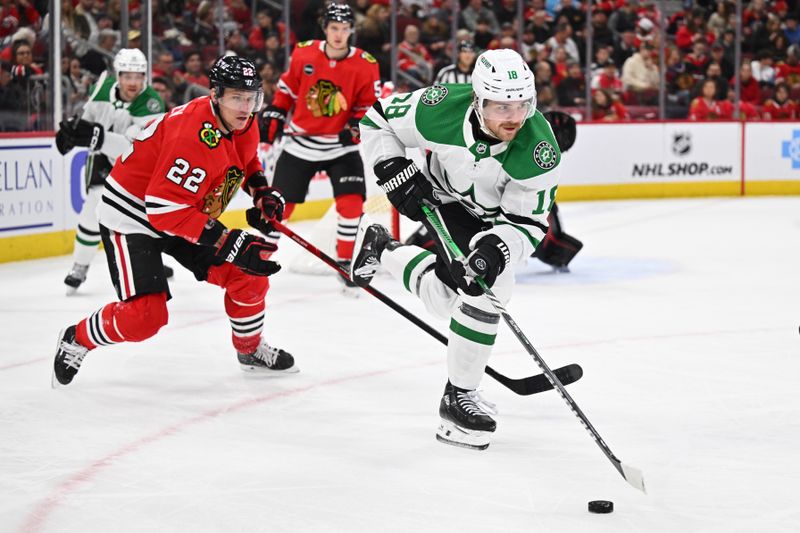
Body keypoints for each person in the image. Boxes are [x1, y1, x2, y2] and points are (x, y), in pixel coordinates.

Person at [350, 49, 561, 450]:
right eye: (501, 106)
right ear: (478, 100)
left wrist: (497, 249)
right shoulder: (440, 107)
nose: (514, 117)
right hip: (439, 197)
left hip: (494, 221)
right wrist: (392, 169)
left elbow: (529, 223)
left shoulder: (539, 150)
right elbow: (377, 120)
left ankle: (385, 249)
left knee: (456, 301)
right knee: (489, 294)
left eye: (522, 104)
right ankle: (457, 399)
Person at [51, 55, 298, 387]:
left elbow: (247, 156)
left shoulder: (244, 119)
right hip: (133, 216)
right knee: (145, 317)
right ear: (216, 95)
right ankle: (77, 338)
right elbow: (162, 210)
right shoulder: (192, 135)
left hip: (183, 210)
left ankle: (249, 350)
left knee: (248, 274)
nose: (245, 106)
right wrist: (229, 241)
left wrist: (260, 192)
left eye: (251, 96)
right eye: (235, 96)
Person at [260, 3, 380, 286]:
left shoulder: (365, 63)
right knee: (280, 208)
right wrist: (277, 110)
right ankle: (259, 257)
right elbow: (287, 90)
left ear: (352, 30)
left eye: (344, 29)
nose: (339, 35)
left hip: (341, 148)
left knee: (351, 205)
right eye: (334, 28)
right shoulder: (304, 52)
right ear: (325, 28)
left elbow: (368, 107)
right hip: (300, 144)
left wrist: (354, 128)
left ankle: (345, 262)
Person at [56, 49, 167, 294]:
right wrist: (73, 131)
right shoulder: (103, 87)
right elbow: (87, 117)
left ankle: (155, 258)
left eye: (138, 76)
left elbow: (136, 147)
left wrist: (98, 136)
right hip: (100, 158)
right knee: (92, 211)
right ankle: (80, 266)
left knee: (145, 217)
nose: (133, 82)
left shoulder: (152, 102)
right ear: (118, 75)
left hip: (135, 164)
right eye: (127, 76)